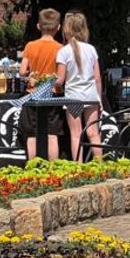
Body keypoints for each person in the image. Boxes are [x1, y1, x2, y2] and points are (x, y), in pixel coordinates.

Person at [54, 11, 103, 161]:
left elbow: (60, 80)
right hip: (91, 95)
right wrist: (99, 99)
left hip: (73, 97)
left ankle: (78, 166)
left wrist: (50, 84)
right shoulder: (91, 49)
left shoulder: (63, 52)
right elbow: (97, 78)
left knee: (76, 134)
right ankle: (101, 165)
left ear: (66, 30)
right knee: (93, 133)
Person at [16, 9, 63, 160]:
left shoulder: (30, 46)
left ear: (38, 26)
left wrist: (30, 75)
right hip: (52, 94)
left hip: (33, 94)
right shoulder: (60, 48)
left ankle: (32, 168)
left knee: (31, 134)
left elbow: (22, 71)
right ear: (58, 27)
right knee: (52, 134)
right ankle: (53, 168)